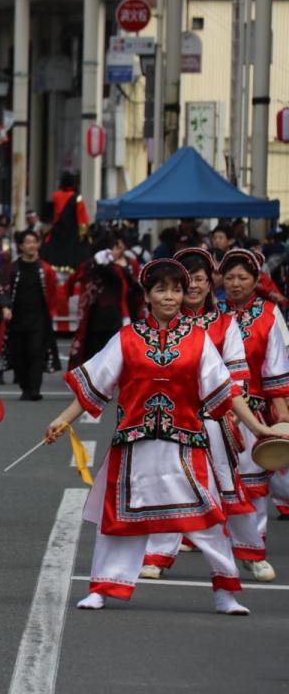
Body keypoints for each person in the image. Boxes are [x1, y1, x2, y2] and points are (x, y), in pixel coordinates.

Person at [49, 258, 277, 615]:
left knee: (208, 518)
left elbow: (227, 391)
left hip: (186, 445)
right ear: (147, 295)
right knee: (119, 519)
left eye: (175, 289)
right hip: (134, 446)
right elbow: (96, 386)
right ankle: (103, 588)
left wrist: (258, 427)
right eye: (161, 289)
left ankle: (225, 591)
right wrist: (61, 421)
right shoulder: (126, 339)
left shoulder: (199, 341)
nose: (169, 296)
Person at [140, 248, 256, 579]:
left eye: (200, 280)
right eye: (185, 282)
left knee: (226, 481)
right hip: (171, 419)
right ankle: (158, 556)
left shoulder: (223, 324)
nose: (192, 288)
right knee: (168, 484)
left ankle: (250, 549)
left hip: (213, 416)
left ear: (209, 283)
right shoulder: (160, 325)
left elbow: (235, 376)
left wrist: (241, 417)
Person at [216, 248, 289, 582]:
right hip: (212, 410)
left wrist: (282, 419)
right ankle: (165, 552)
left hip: (253, 412)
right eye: (229, 277)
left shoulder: (270, 314)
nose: (235, 284)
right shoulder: (212, 313)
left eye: (242, 278)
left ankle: (253, 551)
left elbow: (276, 372)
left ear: (257, 280)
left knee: (253, 482)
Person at [0, 230, 61, 401]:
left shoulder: (45, 269)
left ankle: (35, 389)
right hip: (16, 319)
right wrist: (5, 306)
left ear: (38, 244)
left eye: (34, 242)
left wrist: (51, 312)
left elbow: (53, 293)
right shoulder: (11, 269)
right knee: (19, 354)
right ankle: (25, 387)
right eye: (27, 242)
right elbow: (0, 288)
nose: (31, 245)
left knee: (36, 351)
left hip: (39, 319)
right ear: (21, 246)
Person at [67, 242, 141, 369]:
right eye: (115, 248)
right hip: (99, 316)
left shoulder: (124, 264)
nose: (118, 251)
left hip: (113, 314)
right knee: (100, 354)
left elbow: (135, 286)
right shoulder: (99, 266)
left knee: (105, 354)